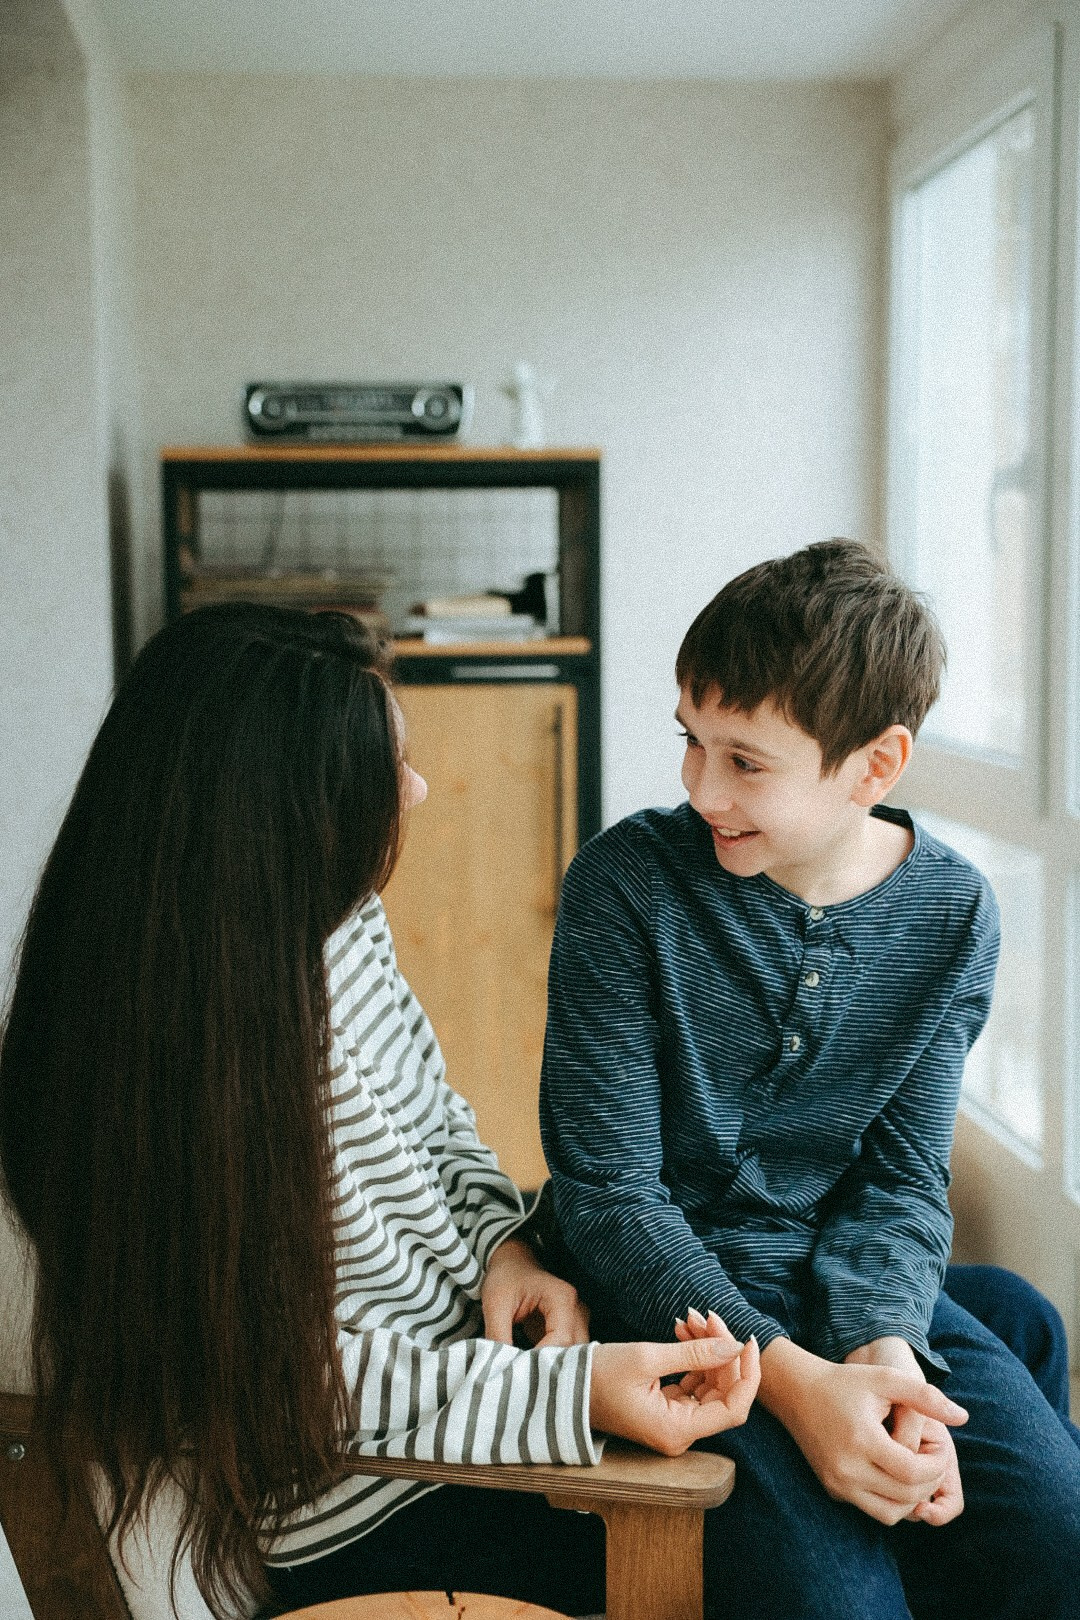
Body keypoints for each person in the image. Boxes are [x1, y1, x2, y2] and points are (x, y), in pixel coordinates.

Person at [0, 601, 782, 1620]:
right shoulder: (150, 1069)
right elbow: (273, 1382)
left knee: (991, 1324)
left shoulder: (333, 920)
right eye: (383, 774)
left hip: (489, 1375)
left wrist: (507, 1246)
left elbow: (438, 1118)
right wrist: (572, 1396)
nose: (415, 790)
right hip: (396, 1498)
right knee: (787, 1507)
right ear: (277, 814)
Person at [539, 540, 1080, 1620]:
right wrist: (801, 1387)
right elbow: (609, 1201)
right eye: (691, 741)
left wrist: (890, 1356)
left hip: (851, 1296)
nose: (699, 788)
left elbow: (900, 1182)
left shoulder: (953, 914)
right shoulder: (626, 884)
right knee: (834, 1604)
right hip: (667, 1314)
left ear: (875, 766)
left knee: (1057, 1540)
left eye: (745, 762)